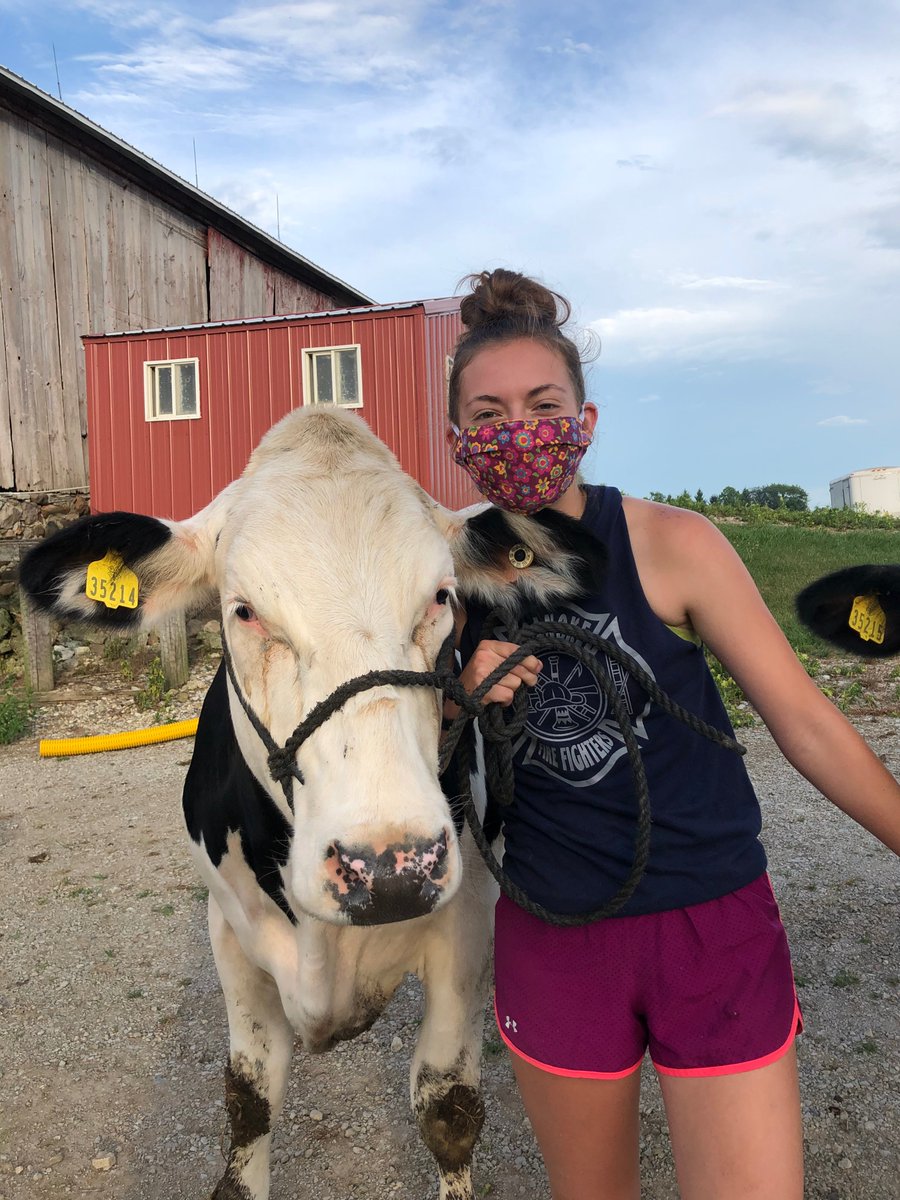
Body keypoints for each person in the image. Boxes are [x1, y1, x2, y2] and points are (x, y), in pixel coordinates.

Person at [441, 268, 900, 1200]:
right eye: (487, 415)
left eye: (542, 404)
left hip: (710, 920)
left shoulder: (673, 544)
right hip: (557, 931)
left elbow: (804, 720)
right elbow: (398, 751)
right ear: (457, 442)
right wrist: (457, 691)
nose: (515, 430)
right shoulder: (446, 577)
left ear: (587, 421)